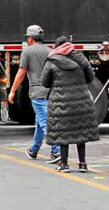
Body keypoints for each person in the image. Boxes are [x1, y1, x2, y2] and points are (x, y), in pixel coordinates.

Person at [41, 36, 100, 173]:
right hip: (81, 100)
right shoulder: (81, 59)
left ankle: (64, 164)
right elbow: (90, 78)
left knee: (63, 133)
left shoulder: (52, 61)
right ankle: (82, 164)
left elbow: (45, 82)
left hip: (60, 102)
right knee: (81, 133)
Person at [8, 25, 59, 162]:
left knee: (44, 121)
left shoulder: (27, 52)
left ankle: (57, 151)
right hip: (51, 92)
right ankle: (34, 150)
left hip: (38, 93)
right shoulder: (50, 51)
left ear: (30, 38)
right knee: (39, 122)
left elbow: (21, 73)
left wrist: (12, 91)